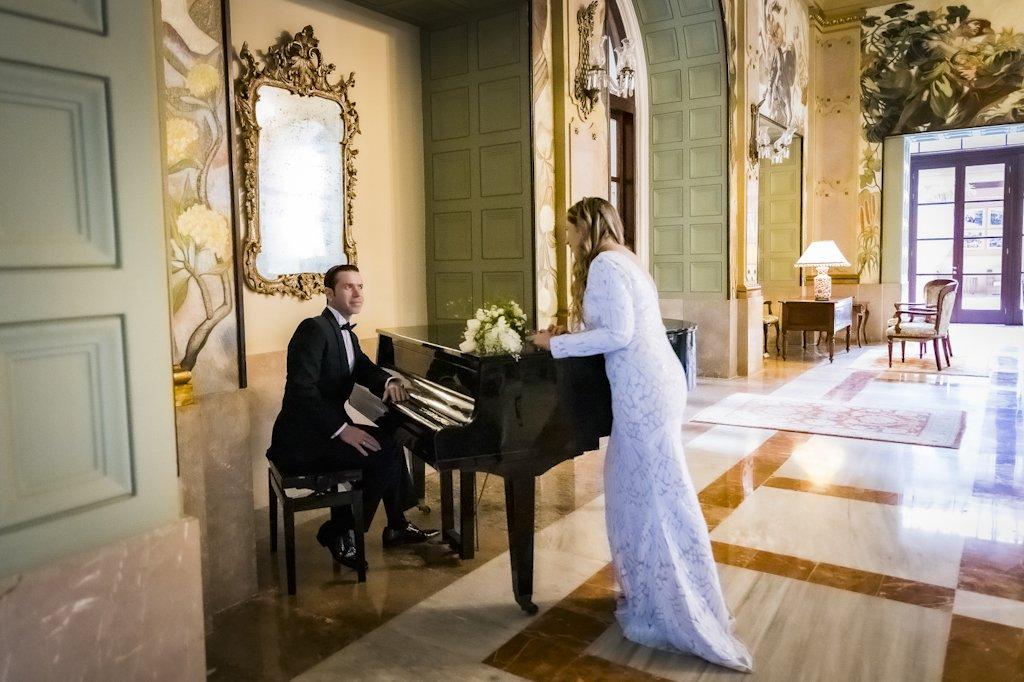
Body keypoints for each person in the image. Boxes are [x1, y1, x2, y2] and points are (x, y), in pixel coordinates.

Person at [531, 198, 752, 672]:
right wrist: (569, 332)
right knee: (641, 491)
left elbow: (619, 334)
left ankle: (675, 606)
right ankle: (662, 591)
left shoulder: (607, 264)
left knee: (651, 493)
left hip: (643, 391)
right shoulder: (623, 258)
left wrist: (556, 344)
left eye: (570, 231)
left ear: (587, 228)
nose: (566, 240)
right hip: (649, 383)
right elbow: (616, 326)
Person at [268, 264, 437, 572]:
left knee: (391, 439)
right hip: (302, 439)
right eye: (348, 287)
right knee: (382, 454)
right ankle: (339, 532)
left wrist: (389, 381)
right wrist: (342, 429)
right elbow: (301, 392)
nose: (357, 292)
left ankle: (397, 526)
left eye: (360, 286)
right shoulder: (314, 329)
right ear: (329, 293)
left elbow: (363, 368)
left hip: (324, 431)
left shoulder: (344, 333)